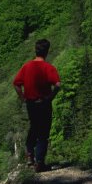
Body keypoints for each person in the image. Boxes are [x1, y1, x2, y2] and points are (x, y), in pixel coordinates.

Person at [13, 39, 61, 172]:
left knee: (34, 127)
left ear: (36, 50)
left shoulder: (26, 66)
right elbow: (57, 85)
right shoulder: (49, 68)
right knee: (43, 133)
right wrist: (49, 98)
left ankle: (30, 157)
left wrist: (22, 98)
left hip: (30, 104)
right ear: (47, 51)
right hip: (44, 103)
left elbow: (16, 83)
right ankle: (40, 163)